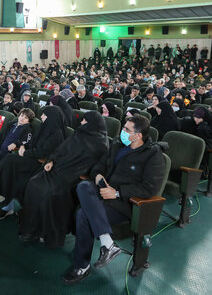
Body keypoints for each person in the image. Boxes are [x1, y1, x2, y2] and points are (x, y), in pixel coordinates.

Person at [63, 115, 165, 284]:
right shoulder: (118, 144)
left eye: (127, 130)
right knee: (82, 186)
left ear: (138, 135)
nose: (122, 132)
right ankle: (107, 243)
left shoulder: (153, 155)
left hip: (124, 202)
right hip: (103, 192)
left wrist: (117, 193)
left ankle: (82, 266)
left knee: (83, 215)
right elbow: (99, 165)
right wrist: (98, 177)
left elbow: (149, 188)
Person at [18, 111, 109, 247]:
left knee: (47, 191)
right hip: (58, 168)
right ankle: (32, 229)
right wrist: (51, 161)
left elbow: (93, 166)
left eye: (85, 121)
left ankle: (48, 232)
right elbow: (61, 150)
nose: (82, 123)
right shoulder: (79, 133)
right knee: (33, 183)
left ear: (93, 124)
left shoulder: (101, 144)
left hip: (74, 177)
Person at [0, 106, 67, 220]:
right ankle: (7, 205)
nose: (41, 116)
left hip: (40, 164)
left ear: (51, 117)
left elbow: (43, 152)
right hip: (31, 157)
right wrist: (23, 146)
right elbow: (31, 142)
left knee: (9, 160)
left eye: (44, 114)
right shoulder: (44, 127)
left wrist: (25, 153)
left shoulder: (56, 134)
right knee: (9, 169)